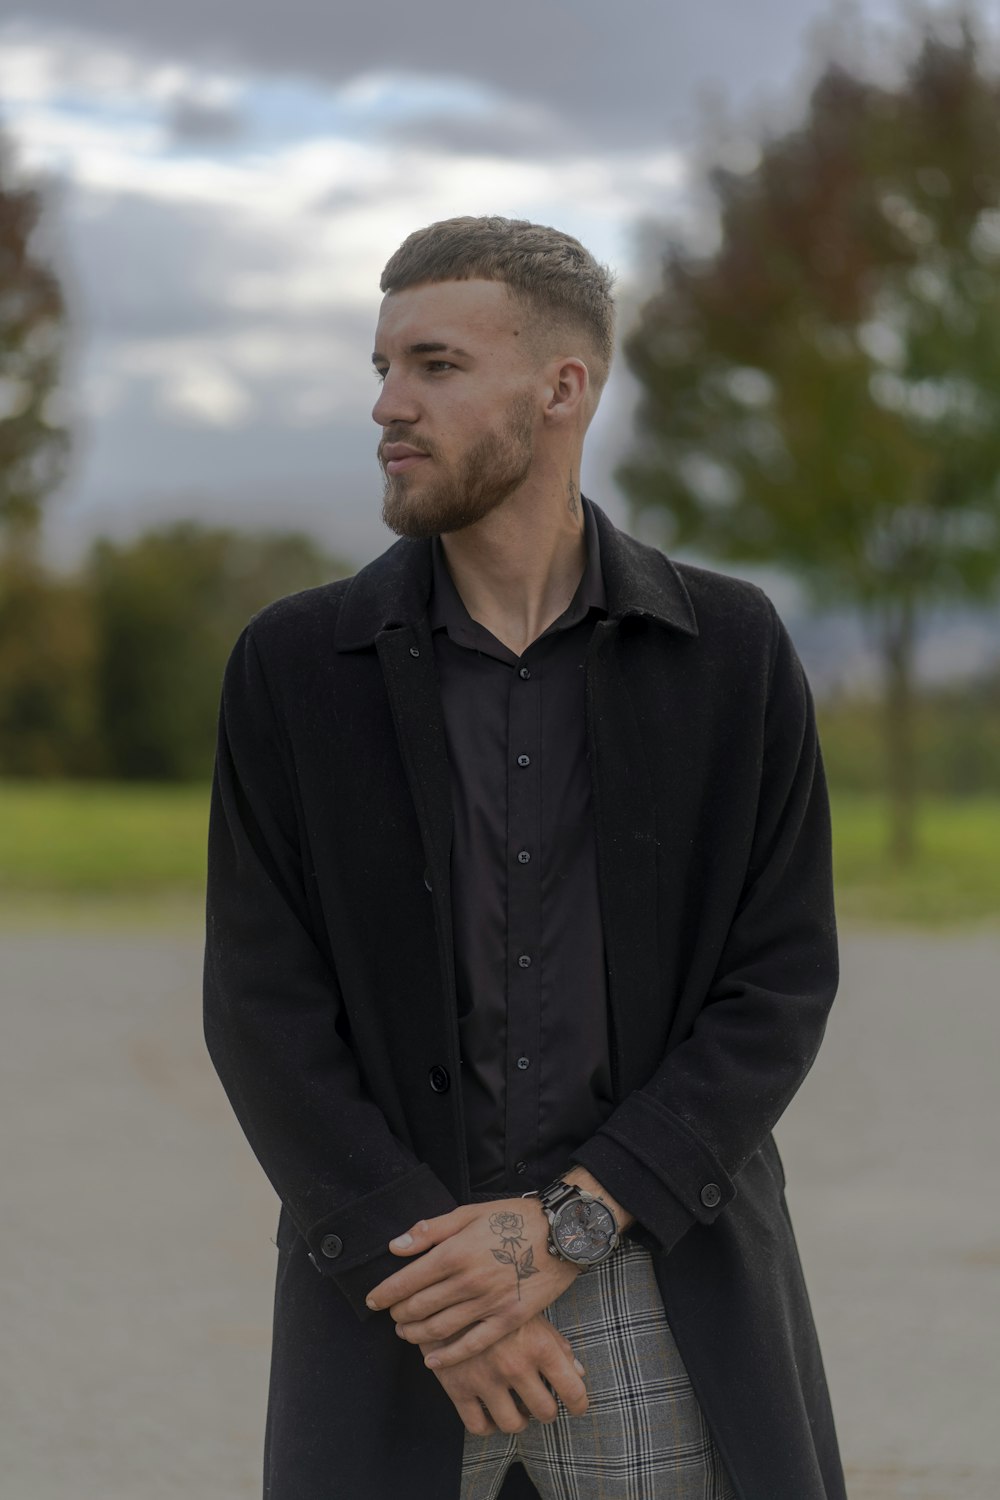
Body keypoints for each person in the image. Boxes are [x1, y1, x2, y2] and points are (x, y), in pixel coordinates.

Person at [203, 215, 845, 1500]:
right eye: (381, 368)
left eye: (434, 366)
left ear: (563, 389)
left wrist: (570, 1222)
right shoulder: (293, 667)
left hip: (656, 1277)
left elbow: (775, 987)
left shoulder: (726, 650)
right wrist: (443, 1286)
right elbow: (261, 1010)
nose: (389, 405)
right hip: (392, 1292)